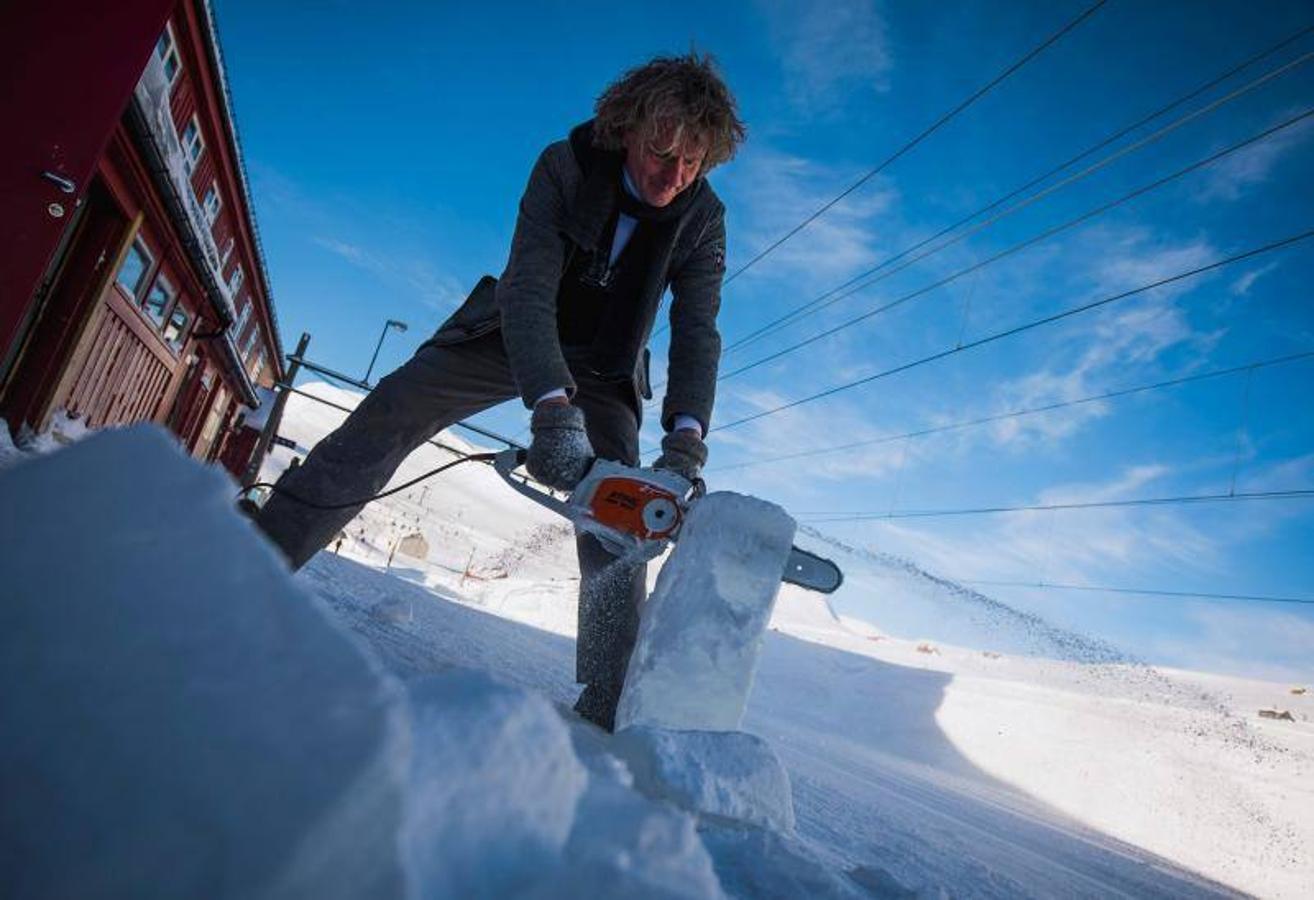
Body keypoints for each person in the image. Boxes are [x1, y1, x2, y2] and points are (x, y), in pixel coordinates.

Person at [253, 52, 745, 731]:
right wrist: (549, 408)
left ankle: (609, 700)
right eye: (662, 154)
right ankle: (258, 564)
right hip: (513, 329)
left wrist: (686, 441)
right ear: (628, 127)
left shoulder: (704, 220)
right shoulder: (564, 167)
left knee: (622, 509)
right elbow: (529, 288)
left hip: (607, 367)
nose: (674, 178)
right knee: (393, 409)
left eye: (693, 164)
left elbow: (696, 330)